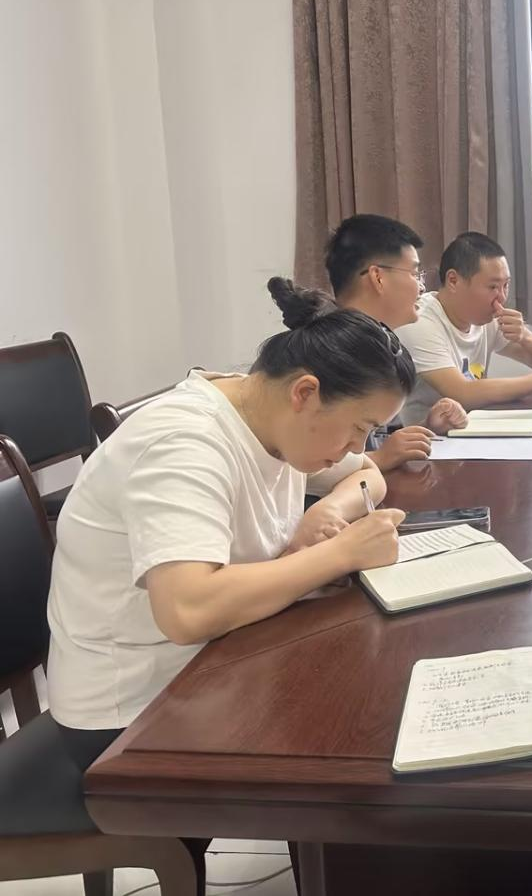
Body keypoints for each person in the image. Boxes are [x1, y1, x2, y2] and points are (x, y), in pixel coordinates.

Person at [42, 279, 411, 884]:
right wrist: (337, 553)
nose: (356, 445)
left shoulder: (268, 413)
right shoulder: (184, 442)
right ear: (306, 392)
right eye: (358, 426)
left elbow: (369, 474)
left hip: (211, 662)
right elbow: (187, 610)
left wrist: (329, 510)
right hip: (131, 710)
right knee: (363, 733)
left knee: (371, 683)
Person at [395, 232, 532, 423]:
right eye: (493, 287)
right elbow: (462, 393)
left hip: (473, 427)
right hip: (428, 436)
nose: (501, 297)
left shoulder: (487, 319)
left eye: (506, 285)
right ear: (453, 280)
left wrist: (525, 336)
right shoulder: (420, 321)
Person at [324, 213, 468, 469]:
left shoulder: (379, 344)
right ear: (378, 277)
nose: (421, 287)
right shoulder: (328, 354)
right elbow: (302, 468)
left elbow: (372, 441)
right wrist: (379, 459)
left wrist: (426, 428)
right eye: (414, 273)